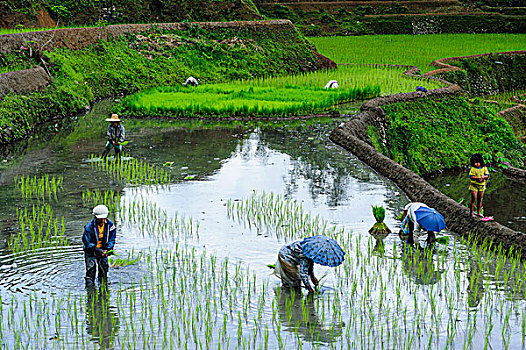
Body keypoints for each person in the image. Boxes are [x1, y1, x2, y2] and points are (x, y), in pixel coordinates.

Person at [82, 205, 117, 285]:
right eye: (100, 219)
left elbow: (112, 239)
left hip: (103, 251)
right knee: (91, 271)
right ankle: (90, 291)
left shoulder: (110, 226)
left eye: (103, 219)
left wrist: (107, 250)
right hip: (91, 251)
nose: (102, 221)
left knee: (104, 270)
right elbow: (87, 242)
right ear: (95, 217)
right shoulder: (89, 227)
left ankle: (103, 291)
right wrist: (99, 250)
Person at [469, 153, 489, 218]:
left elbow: (487, 175)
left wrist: (483, 177)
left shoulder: (484, 168)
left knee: (480, 199)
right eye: (474, 163)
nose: (476, 164)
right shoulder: (473, 169)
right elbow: (471, 176)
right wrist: (477, 178)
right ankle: (471, 213)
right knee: (473, 199)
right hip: (474, 186)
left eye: (477, 163)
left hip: (481, 186)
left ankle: (479, 212)